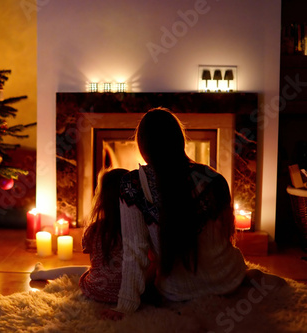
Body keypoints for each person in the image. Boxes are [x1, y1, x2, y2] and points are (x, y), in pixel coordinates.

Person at [101, 107, 284, 320]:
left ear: (143, 146)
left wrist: (125, 306)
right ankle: (244, 280)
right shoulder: (214, 178)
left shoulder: (132, 186)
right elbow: (225, 239)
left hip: (177, 293)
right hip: (228, 279)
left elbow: (135, 252)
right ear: (180, 141)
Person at [30, 168, 130, 304]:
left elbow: (94, 261)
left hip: (95, 290)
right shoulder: (138, 228)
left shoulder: (95, 229)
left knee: (89, 269)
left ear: (102, 199)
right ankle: (42, 273)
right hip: (130, 293)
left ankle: (41, 274)